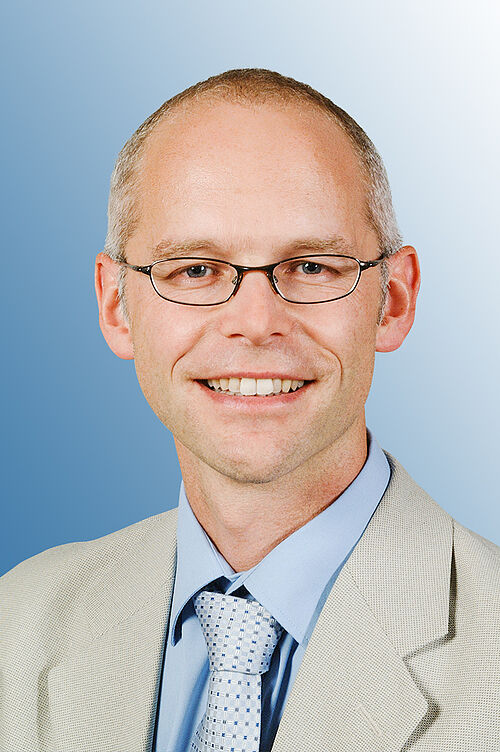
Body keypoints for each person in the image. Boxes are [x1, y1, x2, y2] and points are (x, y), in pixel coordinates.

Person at [1, 68, 499, 752]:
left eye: (313, 266)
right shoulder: (18, 623)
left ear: (394, 300)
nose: (257, 322)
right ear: (116, 306)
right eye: (196, 270)